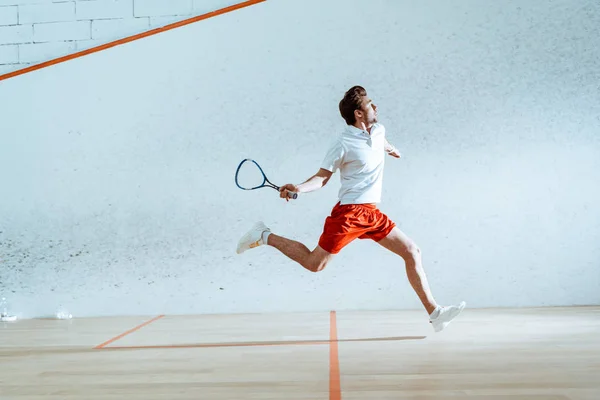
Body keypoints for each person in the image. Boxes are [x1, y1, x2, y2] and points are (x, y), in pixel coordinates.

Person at [236, 85, 465, 332]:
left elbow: (381, 141)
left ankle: (435, 313)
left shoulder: (378, 130)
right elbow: (322, 177)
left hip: (371, 214)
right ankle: (264, 235)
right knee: (315, 264)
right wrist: (299, 188)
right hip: (349, 214)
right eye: (370, 104)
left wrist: (391, 149)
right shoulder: (342, 143)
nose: (375, 107)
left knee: (411, 251)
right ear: (358, 113)